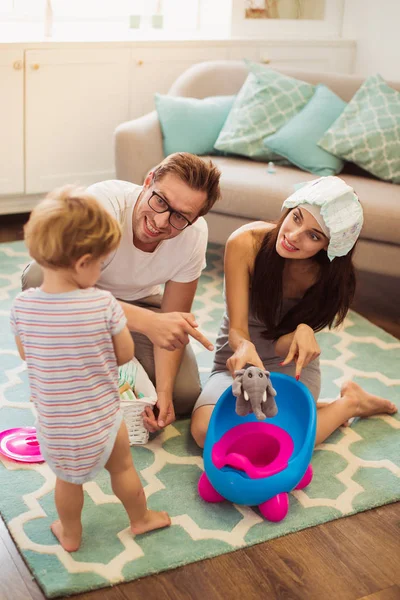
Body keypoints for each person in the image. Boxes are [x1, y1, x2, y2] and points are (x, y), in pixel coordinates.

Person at [11, 188, 171, 553]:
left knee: (67, 483)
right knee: (123, 470)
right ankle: (141, 519)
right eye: (101, 263)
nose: (101, 271)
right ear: (84, 263)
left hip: (56, 424)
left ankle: (70, 534)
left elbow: (26, 354)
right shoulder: (103, 305)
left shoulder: (23, 307)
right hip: (102, 419)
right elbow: (124, 354)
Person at [21, 152, 222, 434]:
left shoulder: (194, 236)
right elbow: (64, 286)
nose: (162, 222)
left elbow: (172, 317)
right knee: (39, 278)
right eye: (160, 201)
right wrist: (147, 323)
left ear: (195, 218)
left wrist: (163, 394)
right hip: (80, 294)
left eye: (180, 217)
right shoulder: (103, 205)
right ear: (148, 181)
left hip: (140, 304)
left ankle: (111, 366)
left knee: (184, 395)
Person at [191, 176, 397, 448]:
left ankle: (349, 403)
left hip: (289, 363)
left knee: (276, 443)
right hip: (237, 357)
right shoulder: (244, 243)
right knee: (207, 432)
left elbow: (280, 346)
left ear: (329, 246)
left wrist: (303, 331)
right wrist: (242, 348)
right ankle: (319, 410)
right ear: (290, 207)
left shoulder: (328, 279)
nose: (293, 236)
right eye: (297, 218)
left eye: (313, 235)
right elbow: (238, 330)